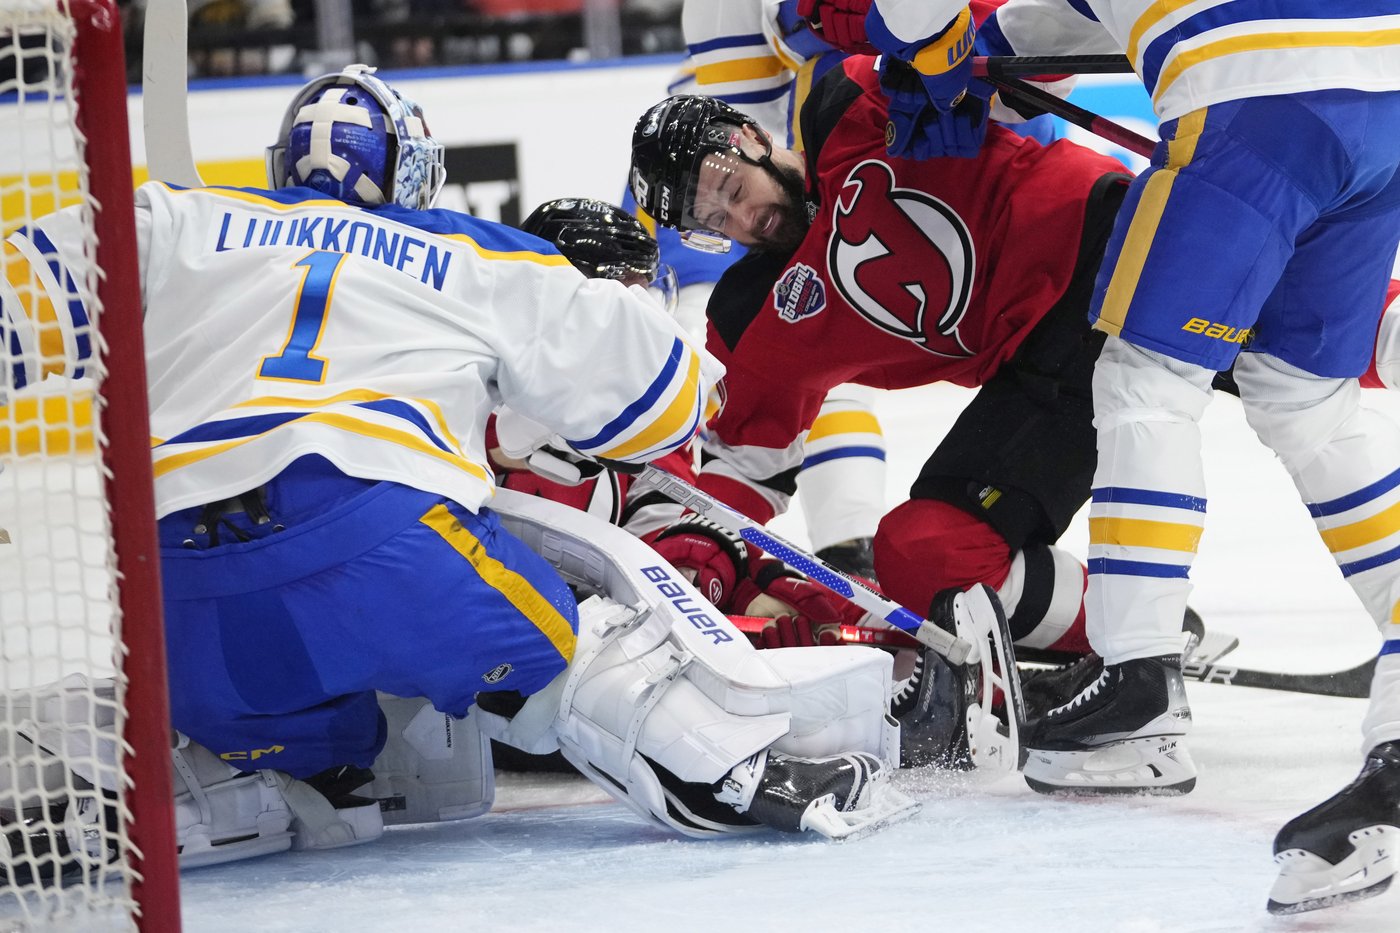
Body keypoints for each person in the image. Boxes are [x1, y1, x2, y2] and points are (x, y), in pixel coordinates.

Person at [0, 65, 920, 876]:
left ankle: (240, 791)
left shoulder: (171, 217)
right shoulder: (467, 251)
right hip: (378, 534)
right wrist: (635, 323)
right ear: (412, 169)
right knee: (577, 642)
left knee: (307, 762)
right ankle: (726, 769)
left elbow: (19, 302)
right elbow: (671, 399)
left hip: (172, 583)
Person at [805, 0, 1400, 913]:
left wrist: (918, 45)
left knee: (1142, 378)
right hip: (1384, 92)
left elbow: (917, 16)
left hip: (1257, 89)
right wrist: (986, 47)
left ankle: (1139, 685)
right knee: (1303, 398)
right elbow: (1050, 22)